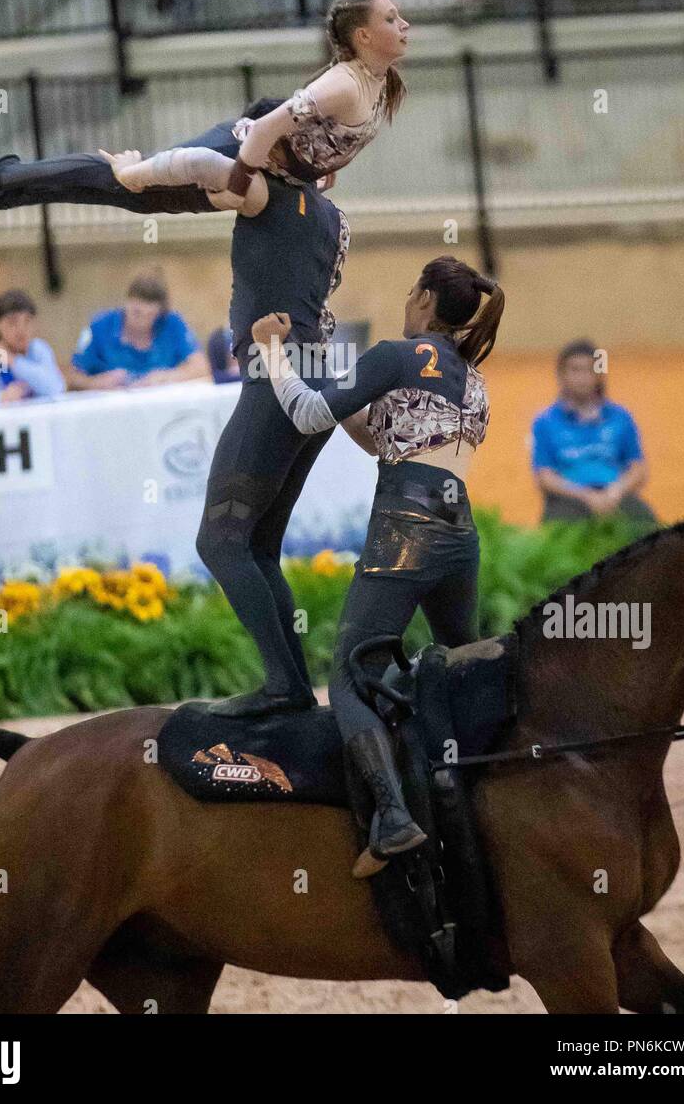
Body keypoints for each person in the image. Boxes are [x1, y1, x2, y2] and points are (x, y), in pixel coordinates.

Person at [0, 0, 411, 717]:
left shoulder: (263, 192)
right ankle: (291, 688)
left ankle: (285, 688)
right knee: (256, 545)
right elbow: (296, 157)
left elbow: (211, 170)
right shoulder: (328, 214)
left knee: (223, 545)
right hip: (313, 384)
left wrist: (146, 168)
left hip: (274, 384)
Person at [252, 254, 504, 875]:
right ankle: (488, 781)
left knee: (348, 674)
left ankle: (392, 818)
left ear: (423, 299)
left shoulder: (395, 354)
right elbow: (388, 438)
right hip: (458, 533)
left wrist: (272, 352)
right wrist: (343, 386)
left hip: (403, 530)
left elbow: (309, 414)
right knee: (458, 658)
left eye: (409, 289)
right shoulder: (473, 380)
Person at [531, 339, 656, 524]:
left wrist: (616, 491)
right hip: (569, 501)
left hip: (615, 497)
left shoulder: (620, 417)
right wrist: (586, 496)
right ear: (561, 375)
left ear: (599, 375)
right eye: (575, 370)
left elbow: (638, 469)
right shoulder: (545, 422)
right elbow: (545, 477)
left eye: (589, 370)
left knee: (651, 532)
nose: (582, 377)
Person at [68, 271, 207, 391]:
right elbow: (72, 377)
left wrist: (166, 376)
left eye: (150, 315)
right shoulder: (99, 327)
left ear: (160, 313)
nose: (142, 321)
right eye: (136, 312)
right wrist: (97, 383)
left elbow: (201, 366)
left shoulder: (172, 323)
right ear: (127, 302)